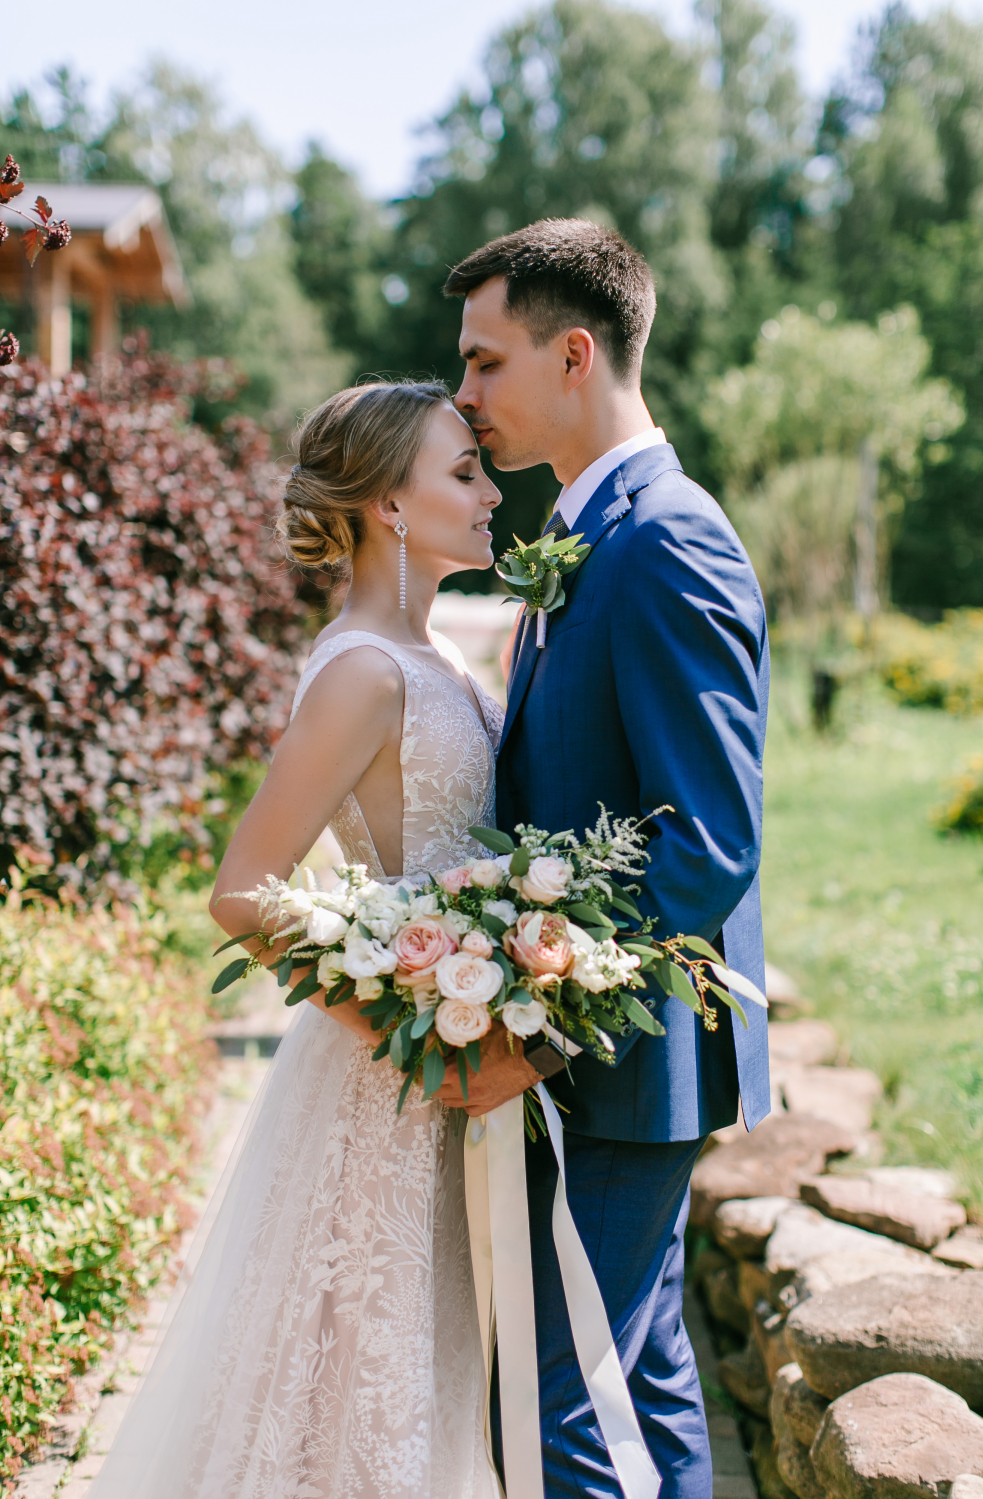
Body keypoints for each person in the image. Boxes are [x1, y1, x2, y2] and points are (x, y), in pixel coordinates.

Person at [89, 381, 508, 1499]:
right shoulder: (365, 670)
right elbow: (241, 891)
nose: (490, 492)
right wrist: (415, 1026)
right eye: (463, 471)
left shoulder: (439, 655)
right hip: (389, 1074)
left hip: (452, 1063)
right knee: (350, 1397)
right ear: (390, 505)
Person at [438, 218, 771, 1497]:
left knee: (560, 1403)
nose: (464, 395)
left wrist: (543, 1028)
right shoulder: (592, 530)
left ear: (573, 354)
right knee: (638, 1384)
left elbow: (707, 839)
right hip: (605, 1067)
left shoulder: (666, 536)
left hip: (624, 1063)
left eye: (485, 362)